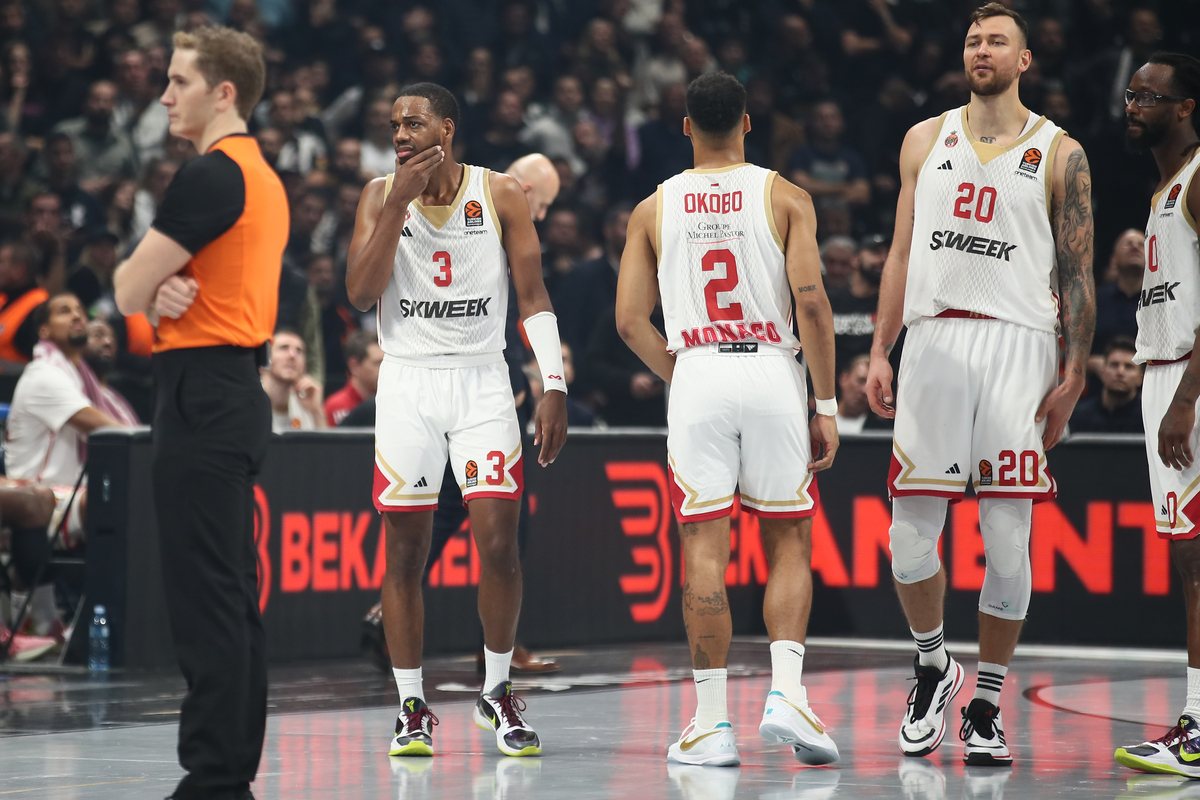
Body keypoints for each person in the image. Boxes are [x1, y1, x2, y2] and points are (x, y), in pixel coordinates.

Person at [864, 4, 1095, 767]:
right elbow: (900, 251)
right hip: (932, 340)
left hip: (1020, 344)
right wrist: (881, 349)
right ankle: (934, 665)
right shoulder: (922, 138)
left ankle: (988, 703)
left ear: (1025, 58)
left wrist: (1075, 370)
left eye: (997, 40)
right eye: (973, 39)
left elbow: (1077, 273)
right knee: (907, 540)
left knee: (1005, 537)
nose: (981, 49)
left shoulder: (1061, 153)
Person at [617, 72, 840, 768]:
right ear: (749, 123)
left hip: (700, 369)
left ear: (685, 127)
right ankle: (787, 694)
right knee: (789, 539)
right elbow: (813, 308)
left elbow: (629, 322)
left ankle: (711, 724)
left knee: (704, 549)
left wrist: (683, 375)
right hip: (773, 369)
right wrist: (825, 405)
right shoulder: (786, 196)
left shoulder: (653, 208)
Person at [345, 82, 567, 759]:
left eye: (413, 121)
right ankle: (411, 706)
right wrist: (396, 210)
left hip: (482, 381)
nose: (400, 132)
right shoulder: (380, 196)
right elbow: (359, 294)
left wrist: (551, 381)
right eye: (393, 124)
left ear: (447, 126)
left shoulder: (499, 194)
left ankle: (495, 692)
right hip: (408, 381)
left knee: (498, 543)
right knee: (406, 553)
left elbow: (532, 295)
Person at [113, 25, 286, 800]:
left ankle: (213, 775)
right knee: (229, 592)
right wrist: (163, 287)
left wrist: (151, 287)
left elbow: (123, 289)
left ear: (223, 92)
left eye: (178, 81)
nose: (164, 95)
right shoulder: (263, 177)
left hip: (201, 394)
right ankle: (230, 769)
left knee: (206, 595)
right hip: (232, 389)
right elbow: (162, 286)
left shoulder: (210, 176)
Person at [1113, 52, 1200, 779]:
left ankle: (1198, 726)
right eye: (1131, 94)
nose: (1133, 105)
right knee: (1188, 555)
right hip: (1165, 375)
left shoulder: (1198, 179)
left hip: (1187, 384)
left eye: (1149, 96)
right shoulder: (1163, 189)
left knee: (1195, 555)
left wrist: (1185, 398)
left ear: (1186, 106)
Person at [1090, 228, 1145, 375]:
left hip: (1146, 386)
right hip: (1098, 389)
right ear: (1113, 260)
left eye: (1142, 245)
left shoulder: (1160, 304)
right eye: (1128, 244)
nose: (1135, 247)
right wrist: (1091, 363)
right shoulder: (1094, 300)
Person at [1069, 336, 1143, 433]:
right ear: (1102, 372)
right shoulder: (1077, 415)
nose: (1120, 372)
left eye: (1129, 367)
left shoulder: (1148, 419)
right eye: (1114, 365)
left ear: (1140, 378)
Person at [261, 328, 325, 432]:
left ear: (304, 366)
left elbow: (325, 447)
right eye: (283, 348)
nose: (292, 355)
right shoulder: (248, 402)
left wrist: (316, 411)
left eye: (299, 351)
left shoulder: (305, 404)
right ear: (265, 361)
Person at [323, 328, 381, 426]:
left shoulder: (392, 403)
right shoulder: (335, 406)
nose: (384, 370)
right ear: (354, 366)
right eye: (378, 363)